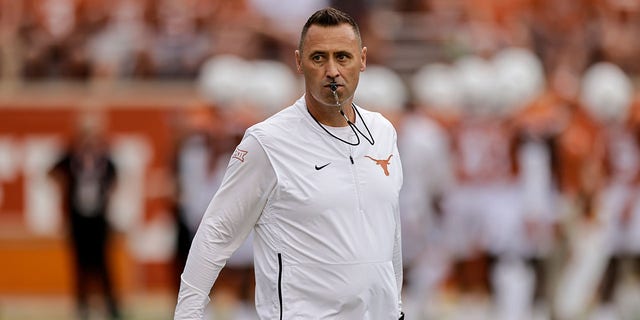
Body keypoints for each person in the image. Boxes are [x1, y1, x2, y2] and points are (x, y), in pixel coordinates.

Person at [175, 7, 404, 320]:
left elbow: (389, 231)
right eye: (319, 57)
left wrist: (397, 307)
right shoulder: (267, 142)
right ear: (299, 62)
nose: (332, 70)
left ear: (362, 59)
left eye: (343, 56)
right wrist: (187, 314)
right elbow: (215, 233)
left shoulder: (383, 132)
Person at [48, 115, 121, 320]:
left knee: (103, 264)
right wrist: (64, 191)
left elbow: (115, 178)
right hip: (78, 218)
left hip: (98, 218)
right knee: (80, 264)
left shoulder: (104, 159)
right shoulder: (71, 157)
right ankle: (82, 306)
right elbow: (52, 172)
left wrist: (106, 197)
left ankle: (111, 306)